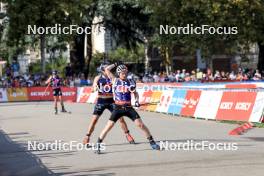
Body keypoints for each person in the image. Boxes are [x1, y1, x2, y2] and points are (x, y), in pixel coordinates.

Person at [95, 62, 160, 154]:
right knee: (109, 126)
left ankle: (152, 142)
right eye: (122, 73)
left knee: (140, 125)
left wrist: (137, 101)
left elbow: (135, 93)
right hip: (118, 107)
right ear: (119, 73)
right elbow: (107, 70)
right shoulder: (115, 80)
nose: (124, 74)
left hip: (128, 107)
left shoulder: (130, 82)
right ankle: (98, 144)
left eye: (126, 72)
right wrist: (115, 64)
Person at [83, 63, 135, 145]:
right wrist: (94, 88)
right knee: (94, 120)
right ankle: (87, 136)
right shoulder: (98, 78)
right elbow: (92, 89)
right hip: (101, 101)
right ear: (102, 71)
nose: (108, 71)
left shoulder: (113, 78)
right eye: (106, 69)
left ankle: (127, 134)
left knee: (121, 119)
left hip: (111, 101)